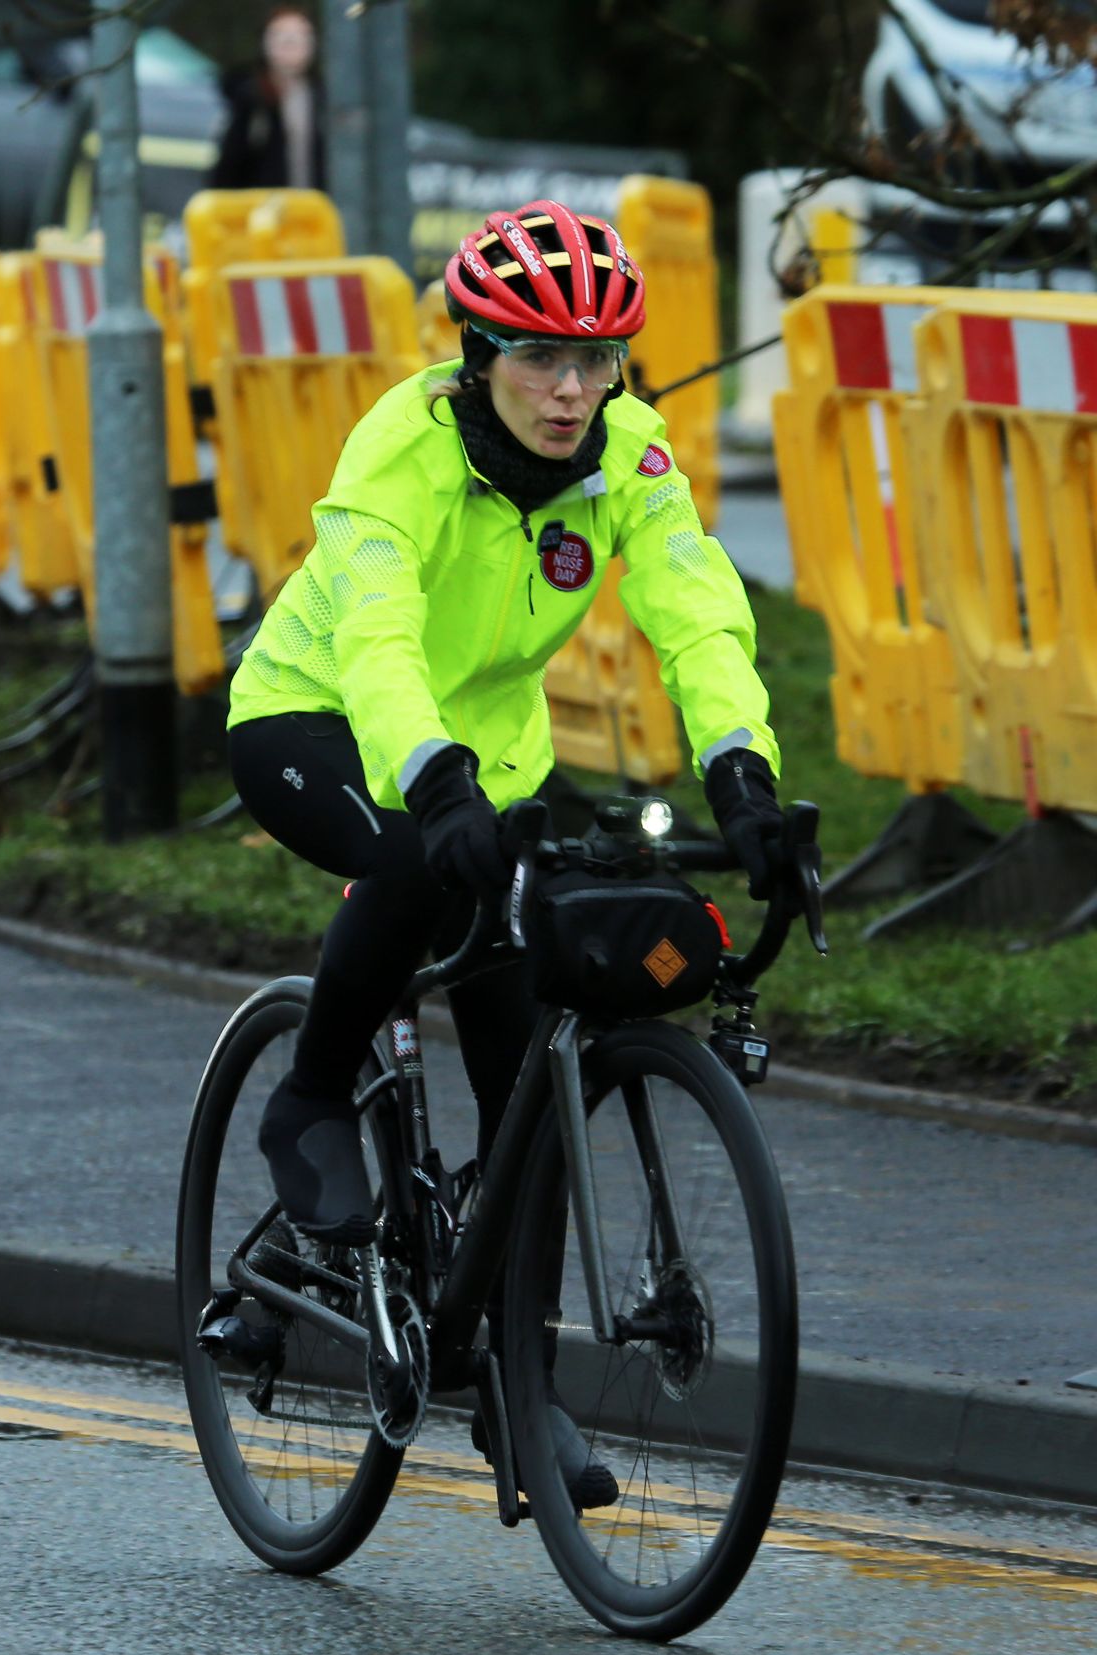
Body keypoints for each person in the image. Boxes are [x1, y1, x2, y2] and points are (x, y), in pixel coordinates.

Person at [226, 199, 787, 1504]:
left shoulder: (624, 455)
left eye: (597, 361)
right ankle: (309, 1094)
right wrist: (431, 778)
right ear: (479, 350)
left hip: (496, 763)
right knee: (419, 868)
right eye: (541, 357)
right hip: (321, 721)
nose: (572, 389)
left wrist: (744, 772)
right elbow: (374, 636)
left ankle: (519, 1405)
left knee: (528, 1061)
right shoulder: (402, 451)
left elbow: (697, 610)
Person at [210, 5, 324, 192]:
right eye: (281, 37)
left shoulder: (320, 97)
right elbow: (229, 165)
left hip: (314, 211)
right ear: (266, 43)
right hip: (261, 210)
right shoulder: (251, 99)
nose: (290, 45)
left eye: (300, 37)